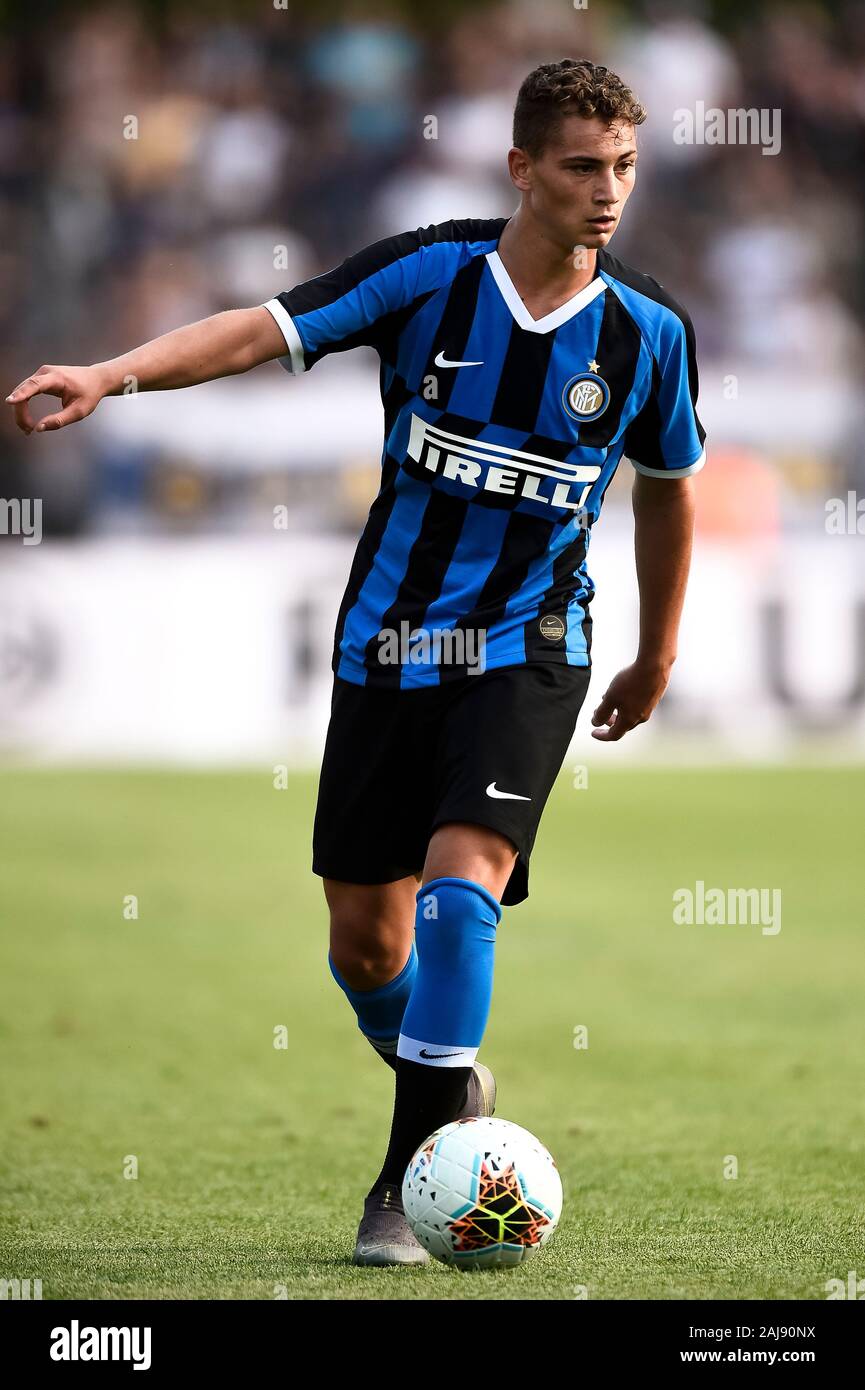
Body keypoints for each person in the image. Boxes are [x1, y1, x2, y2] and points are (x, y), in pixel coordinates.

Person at [7, 58, 705, 1266]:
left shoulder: (647, 333)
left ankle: (404, 1185)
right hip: (387, 644)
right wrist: (111, 374)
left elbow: (670, 490)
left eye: (625, 169)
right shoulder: (428, 273)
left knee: (458, 892)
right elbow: (259, 330)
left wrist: (653, 655)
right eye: (584, 167)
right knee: (364, 945)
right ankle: (453, 1085)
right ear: (521, 168)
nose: (608, 193)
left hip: (529, 645)